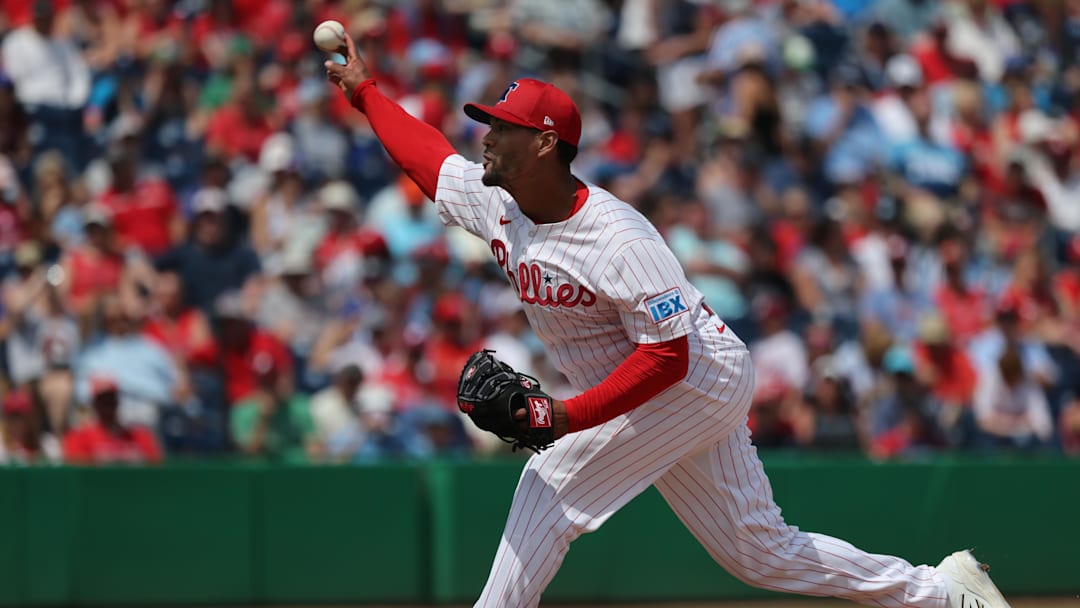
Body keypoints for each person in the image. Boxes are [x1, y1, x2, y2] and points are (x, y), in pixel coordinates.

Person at [324, 32, 1010, 608]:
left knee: (549, 482)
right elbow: (429, 161)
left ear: (542, 144)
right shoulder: (494, 199)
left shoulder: (617, 237)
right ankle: (945, 594)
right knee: (759, 552)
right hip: (656, 385)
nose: (486, 137)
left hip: (693, 378)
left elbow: (667, 357)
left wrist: (567, 419)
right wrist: (365, 92)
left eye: (500, 127)